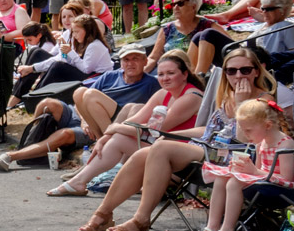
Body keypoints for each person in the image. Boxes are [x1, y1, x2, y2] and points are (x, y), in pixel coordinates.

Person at [81, 44, 272, 231]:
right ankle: (103, 214)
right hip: (209, 148)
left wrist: (241, 104)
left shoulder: (263, 99)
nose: (238, 76)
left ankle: (141, 220)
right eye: (232, 71)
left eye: (245, 70)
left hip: (234, 157)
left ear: (256, 71)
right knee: (142, 154)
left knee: (162, 147)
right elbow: (208, 131)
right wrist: (174, 134)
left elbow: (243, 141)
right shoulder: (227, 97)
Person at [51, 48, 202, 198]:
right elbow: (135, 121)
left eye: (171, 73)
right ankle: (80, 181)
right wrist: (106, 136)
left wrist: (115, 128)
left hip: (180, 157)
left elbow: (153, 131)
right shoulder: (164, 93)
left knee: (120, 138)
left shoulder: (191, 97)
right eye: (161, 74)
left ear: (185, 74)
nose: (165, 78)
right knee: (116, 138)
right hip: (161, 148)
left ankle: (82, 183)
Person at [7, 44, 161, 182]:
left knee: (83, 103)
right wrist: (84, 120)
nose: (130, 63)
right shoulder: (111, 76)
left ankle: (13, 156)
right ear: (120, 63)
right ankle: (29, 144)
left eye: (136, 59)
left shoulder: (151, 84)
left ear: (145, 62)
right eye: (126, 59)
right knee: (53, 101)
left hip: (112, 124)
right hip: (87, 119)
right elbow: (79, 101)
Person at [189, 98, 294, 231]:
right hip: (265, 183)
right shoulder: (261, 143)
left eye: (248, 130)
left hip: (282, 189)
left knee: (234, 182)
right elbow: (257, 171)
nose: (245, 135)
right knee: (222, 177)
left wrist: (252, 171)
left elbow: (286, 179)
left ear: (267, 125)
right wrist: (243, 168)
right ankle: (212, 226)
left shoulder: (284, 145)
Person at [146, 0, 219, 77]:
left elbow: (228, 44)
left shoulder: (207, 25)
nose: (175, 7)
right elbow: (153, 57)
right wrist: (140, 74)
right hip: (167, 73)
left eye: (180, 3)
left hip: (197, 74)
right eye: (173, 4)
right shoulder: (167, 28)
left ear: (193, 7)